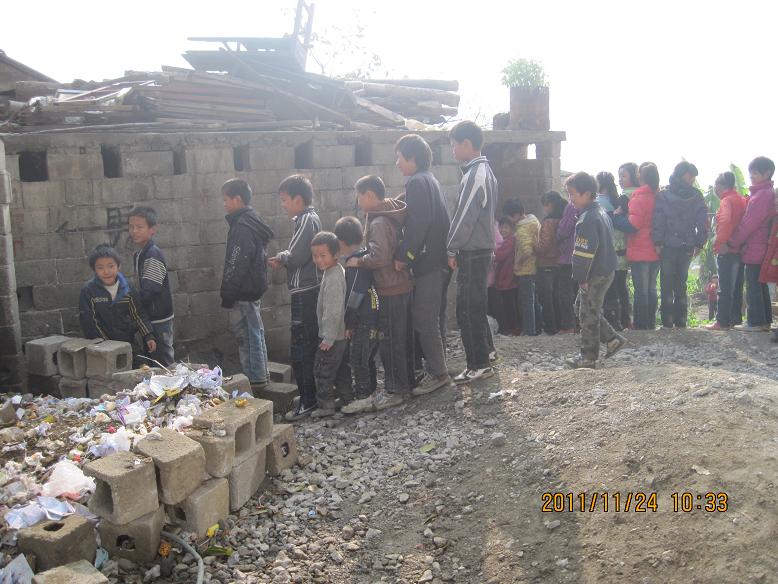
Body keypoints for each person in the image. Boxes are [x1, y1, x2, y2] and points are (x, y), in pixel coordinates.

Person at [393, 134, 453, 395]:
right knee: (435, 317)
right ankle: (438, 366)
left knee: (424, 318)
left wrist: (404, 256)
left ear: (412, 159)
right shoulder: (430, 179)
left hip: (429, 262)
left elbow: (419, 223)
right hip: (440, 260)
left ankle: (439, 374)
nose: (397, 163)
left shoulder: (417, 182)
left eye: (399, 157)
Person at [348, 175, 413, 410]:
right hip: (399, 284)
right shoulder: (388, 215)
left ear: (369, 195)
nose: (358, 201)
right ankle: (405, 384)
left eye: (359, 197)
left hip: (391, 286)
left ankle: (396, 391)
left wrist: (358, 261)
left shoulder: (378, 222)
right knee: (399, 338)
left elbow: (379, 256)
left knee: (391, 341)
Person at [445, 121, 498, 383]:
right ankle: (487, 351)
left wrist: (451, 247)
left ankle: (478, 364)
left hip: (473, 251)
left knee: (467, 309)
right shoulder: (481, 171)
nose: (453, 150)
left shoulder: (476, 174)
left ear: (467, 144)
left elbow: (464, 217)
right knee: (476, 304)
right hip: (480, 249)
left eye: (454, 145)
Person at [268, 175, 322, 421]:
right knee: (304, 347)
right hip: (306, 291)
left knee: (301, 349)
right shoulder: (306, 219)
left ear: (298, 200)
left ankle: (309, 400)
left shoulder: (306, 220)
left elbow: (298, 255)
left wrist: (282, 258)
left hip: (305, 292)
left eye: (285, 200)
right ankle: (309, 395)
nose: (283, 205)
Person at [564, 172, 626, 369]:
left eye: (573, 194)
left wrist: (581, 277)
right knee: (583, 308)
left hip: (595, 273)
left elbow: (583, 253)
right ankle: (612, 339)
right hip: (605, 270)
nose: (570, 199)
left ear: (587, 194)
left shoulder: (588, 219)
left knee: (588, 313)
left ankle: (588, 357)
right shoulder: (599, 212)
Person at [219, 179, 274, 393]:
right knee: (255, 332)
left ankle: (255, 381)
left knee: (248, 338)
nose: (224, 204)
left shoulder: (242, 227)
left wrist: (228, 293)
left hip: (244, 291)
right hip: (253, 288)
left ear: (237, 199)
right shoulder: (252, 221)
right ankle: (261, 375)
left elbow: (236, 262)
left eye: (226, 199)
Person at [652, 162, 709, 329]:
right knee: (680, 284)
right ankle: (681, 321)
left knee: (667, 284)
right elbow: (703, 222)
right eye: (690, 175)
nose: (692, 179)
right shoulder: (696, 196)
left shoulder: (664, 195)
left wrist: (658, 242)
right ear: (681, 174)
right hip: (687, 245)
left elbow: (658, 220)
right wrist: (699, 242)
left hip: (668, 245)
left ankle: (667, 322)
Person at [79, 244, 156, 367]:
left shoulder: (127, 288)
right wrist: (106, 345)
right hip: (102, 346)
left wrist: (148, 335)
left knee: (143, 367)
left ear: (118, 266)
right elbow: (89, 322)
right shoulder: (89, 291)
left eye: (111, 266)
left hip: (128, 341)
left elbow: (138, 314)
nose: (106, 272)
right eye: (100, 268)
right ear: (94, 270)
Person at [335, 216, 380, 415]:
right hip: (374, 313)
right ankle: (371, 390)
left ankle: (363, 396)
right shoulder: (365, 257)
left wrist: (348, 322)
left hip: (364, 318)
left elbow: (354, 296)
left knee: (358, 358)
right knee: (367, 356)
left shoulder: (354, 265)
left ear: (340, 242)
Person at [309, 232, 353, 418]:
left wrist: (327, 338)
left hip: (332, 337)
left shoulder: (333, 277)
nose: (318, 260)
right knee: (341, 369)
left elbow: (333, 311)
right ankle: (346, 398)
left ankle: (325, 405)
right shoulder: (334, 271)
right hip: (340, 335)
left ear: (336, 254)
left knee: (323, 370)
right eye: (315, 256)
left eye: (323, 255)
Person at [729, 157, 776, 332]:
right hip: (762, 245)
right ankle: (764, 321)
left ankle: (755, 322)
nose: (752, 176)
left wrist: (733, 241)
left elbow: (749, 223)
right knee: (760, 284)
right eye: (751, 173)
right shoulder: (767, 193)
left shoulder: (761, 195)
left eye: (755, 173)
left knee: (753, 285)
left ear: (767, 173)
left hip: (756, 246)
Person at [128, 206, 175, 366]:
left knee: (163, 361)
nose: (134, 231)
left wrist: (133, 307)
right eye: (131, 227)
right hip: (151, 318)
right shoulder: (142, 253)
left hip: (158, 319)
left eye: (139, 227)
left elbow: (150, 290)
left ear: (152, 230)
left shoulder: (152, 254)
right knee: (154, 359)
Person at [619, 162, 661, 330]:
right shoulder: (659, 196)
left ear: (640, 176)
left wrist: (615, 219)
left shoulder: (638, 197)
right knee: (651, 289)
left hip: (639, 249)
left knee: (641, 291)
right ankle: (651, 323)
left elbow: (633, 225)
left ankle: (641, 325)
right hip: (656, 249)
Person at [707, 171, 747, 331]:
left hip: (728, 249)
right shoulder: (741, 199)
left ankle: (722, 321)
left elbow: (724, 222)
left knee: (724, 288)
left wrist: (720, 243)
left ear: (720, 186)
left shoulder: (726, 201)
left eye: (716, 184)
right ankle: (734, 319)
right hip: (740, 248)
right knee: (736, 287)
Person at [597, 172, 629, 331]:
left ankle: (613, 322)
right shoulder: (617, 201)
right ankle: (625, 320)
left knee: (609, 290)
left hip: (608, 251)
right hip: (622, 250)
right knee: (622, 287)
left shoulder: (598, 203)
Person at [505, 198, 541, 336]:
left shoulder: (522, 229)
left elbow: (526, 251)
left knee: (526, 301)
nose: (510, 219)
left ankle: (529, 331)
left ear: (516, 215)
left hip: (526, 269)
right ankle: (538, 327)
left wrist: (517, 263)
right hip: (535, 266)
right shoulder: (533, 220)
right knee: (534, 300)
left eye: (510, 216)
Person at [536, 191, 566, 335]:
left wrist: (533, 247)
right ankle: (560, 324)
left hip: (546, 262)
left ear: (550, 204)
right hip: (560, 262)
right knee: (557, 296)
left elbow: (544, 245)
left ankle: (550, 327)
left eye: (545, 205)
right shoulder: (564, 218)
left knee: (547, 298)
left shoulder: (549, 222)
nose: (544, 208)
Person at [556, 198, 579, 333]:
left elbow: (563, 231)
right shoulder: (593, 208)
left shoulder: (572, 207)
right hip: (582, 257)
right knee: (579, 293)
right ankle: (579, 324)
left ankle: (568, 325)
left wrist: (558, 233)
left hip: (568, 256)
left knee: (565, 292)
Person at [493, 217, 520, 335]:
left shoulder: (510, 241)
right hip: (506, 278)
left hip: (507, 279)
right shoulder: (507, 240)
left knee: (509, 305)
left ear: (511, 229)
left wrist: (491, 252)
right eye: (501, 227)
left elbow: (499, 255)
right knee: (509, 304)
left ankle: (514, 329)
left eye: (506, 227)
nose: (503, 230)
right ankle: (513, 328)